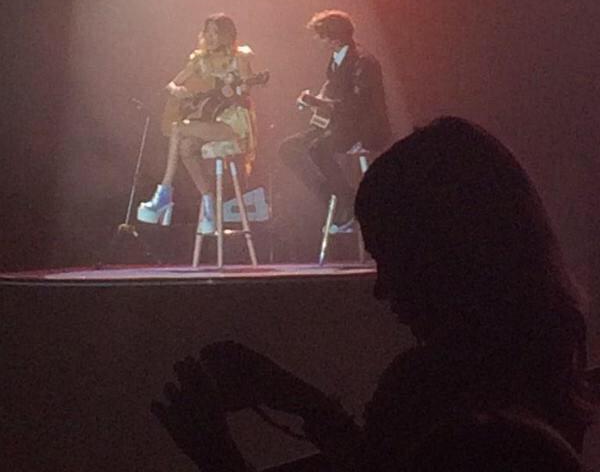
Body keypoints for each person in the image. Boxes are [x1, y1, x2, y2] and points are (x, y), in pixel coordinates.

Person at [150, 117, 595, 471]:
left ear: (445, 254)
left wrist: (218, 455)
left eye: (391, 258)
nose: (381, 289)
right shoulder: (542, 362)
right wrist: (301, 401)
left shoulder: (436, 399)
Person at [138, 13, 257, 232]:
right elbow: (172, 84)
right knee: (186, 147)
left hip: (233, 124)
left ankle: (164, 193)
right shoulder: (200, 59)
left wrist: (236, 91)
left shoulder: (239, 58)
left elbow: (246, 91)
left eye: (216, 32)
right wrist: (180, 91)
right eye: (207, 32)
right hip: (210, 120)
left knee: (179, 128)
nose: (210, 37)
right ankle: (209, 204)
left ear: (227, 35)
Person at [279, 10, 391, 230]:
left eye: (321, 37)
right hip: (340, 125)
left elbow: (358, 105)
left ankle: (347, 202)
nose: (317, 41)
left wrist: (323, 104)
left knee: (318, 148)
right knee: (289, 148)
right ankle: (336, 195)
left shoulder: (363, 61)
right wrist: (315, 101)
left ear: (334, 39)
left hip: (365, 128)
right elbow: (332, 90)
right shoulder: (336, 59)